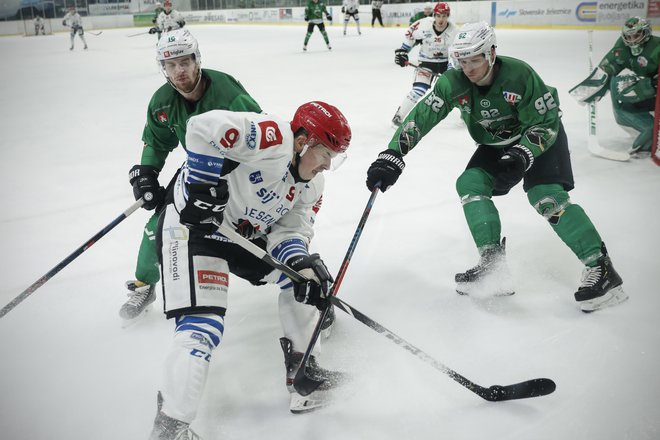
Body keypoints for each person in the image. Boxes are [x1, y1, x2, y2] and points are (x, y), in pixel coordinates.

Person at [366, 22, 628, 313]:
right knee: (470, 184)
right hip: (495, 144)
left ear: (491, 53)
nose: (468, 68)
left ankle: (602, 268)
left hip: (540, 137)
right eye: (462, 61)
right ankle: (493, 265)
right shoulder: (452, 82)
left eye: (475, 60)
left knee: (546, 197)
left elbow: (545, 123)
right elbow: (424, 115)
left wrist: (523, 153)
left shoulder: (520, 75)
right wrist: (393, 153)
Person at [148, 101, 352, 438]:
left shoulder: (312, 185)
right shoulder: (271, 137)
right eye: (326, 154)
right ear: (302, 142)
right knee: (203, 328)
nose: (328, 166)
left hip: (239, 236)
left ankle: (304, 373)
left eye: (334, 158)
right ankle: (170, 426)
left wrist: (299, 260)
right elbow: (202, 128)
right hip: (192, 229)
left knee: (302, 279)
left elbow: (290, 231)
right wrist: (201, 186)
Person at [121, 28, 262, 323]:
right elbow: (157, 142)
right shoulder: (162, 102)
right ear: (163, 68)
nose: (179, 71)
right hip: (198, 172)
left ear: (197, 60)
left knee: (260, 228)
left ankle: (297, 273)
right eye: (170, 65)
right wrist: (146, 172)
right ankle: (144, 285)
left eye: (184, 62)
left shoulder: (228, 92)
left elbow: (260, 138)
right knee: (157, 227)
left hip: (241, 170)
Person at [570, 17, 660, 155]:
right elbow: (608, 67)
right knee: (623, 87)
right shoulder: (622, 47)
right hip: (652, 91)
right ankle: (646, 128)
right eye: (628, 36)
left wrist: (651, 85)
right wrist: (588, 89)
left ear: (646, 33)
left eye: (636, 35)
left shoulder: (656, 48)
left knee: (642, 87)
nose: (632, 40)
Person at [391, 2, 457, 126]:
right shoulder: (423, 24)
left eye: (444, 16)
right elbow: (410, 39)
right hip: (426, 62)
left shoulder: (454, 32)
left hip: (445, 63)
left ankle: (466, 117)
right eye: (438, 15)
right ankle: (399, 117)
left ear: (448, 16)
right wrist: (403, 51)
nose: (441, 19)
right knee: (419, 90)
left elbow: (454, 56)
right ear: (434, 15)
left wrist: (451, 72)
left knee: (456, 90)